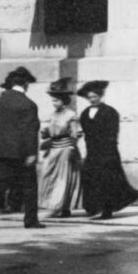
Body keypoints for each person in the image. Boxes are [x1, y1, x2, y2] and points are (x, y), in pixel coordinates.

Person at [0, 67, 43, 229]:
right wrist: (32, 153)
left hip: (2, 150)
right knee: (30, 187)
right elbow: (29, 131)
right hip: (21, 152)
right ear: (26, 83)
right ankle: (31, 220)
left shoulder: (3, 99)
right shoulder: (29, 105)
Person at [77, 80, 138, 220]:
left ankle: (107, 210)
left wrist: (105, 149)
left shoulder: (110, 112)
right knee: (91, 178)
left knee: (107, 181)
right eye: (89, 97)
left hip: (107, 152)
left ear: (100, 96)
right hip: (92, 152)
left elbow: (112, 134)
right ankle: (93, 207)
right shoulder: (85, 113)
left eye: (94, 96)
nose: (92, 99)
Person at [38, 77, 83, 218]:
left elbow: (76, 134)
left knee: (63, 179)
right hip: (53, 149)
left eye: (56, 100)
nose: (53, 102)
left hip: (65, 150)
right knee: (49, 177)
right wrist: (45, 133)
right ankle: (54, 205)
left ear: (64, 100)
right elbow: (49, 131)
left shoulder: (71, 115)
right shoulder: (53, 114)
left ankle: (62, 207)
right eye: (53, 100)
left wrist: (71, 148)